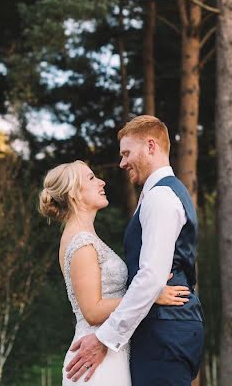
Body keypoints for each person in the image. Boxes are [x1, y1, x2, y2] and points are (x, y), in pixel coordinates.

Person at [65, 115, 204, 386]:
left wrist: (105, 338)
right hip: (163, 331)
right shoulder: (159, 194)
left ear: (150, 146)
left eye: (127, 153)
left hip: (164, 333)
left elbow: (151, 278)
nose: (122, 162)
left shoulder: (160, 198)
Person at [39, 159, 190, 385]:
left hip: (109, 353)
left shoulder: (85, 237)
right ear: (74, 194)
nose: (101, 182)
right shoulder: (81, 243)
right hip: (94, 362)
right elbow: (92, 310)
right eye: (91, 178)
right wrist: (150, 295)